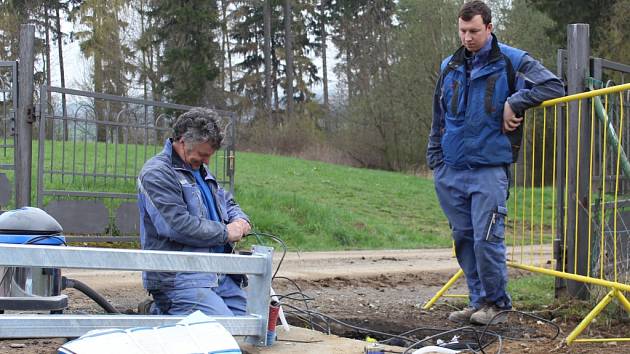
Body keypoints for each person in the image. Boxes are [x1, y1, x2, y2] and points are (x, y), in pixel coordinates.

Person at [426, 0, 564, 325]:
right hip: (451, 169)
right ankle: (478, 303)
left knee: (487, 239)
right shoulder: (450, 65)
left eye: (474, 31)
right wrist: (436, 161)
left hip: (489, 169)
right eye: (462, 31)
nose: (467, 38)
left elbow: (552, 84)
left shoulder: (511, 61)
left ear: (489, 27)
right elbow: (439, 115)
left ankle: (497, 305)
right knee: (464, 239)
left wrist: (515, 101)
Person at [137, 107, 251, 316]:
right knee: (220, 330)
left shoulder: (200, 170)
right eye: (203, 154)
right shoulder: (157, 173)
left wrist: (241, 221)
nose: (207, 161)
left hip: (218, 274)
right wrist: (226, 233)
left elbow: (228, 202)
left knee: (248, 325)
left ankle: (165, 314)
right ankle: (160, 312)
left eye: (209, 156)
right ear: (182, 141)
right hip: (180, 278)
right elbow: (177, 225)